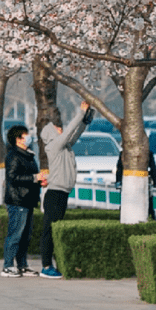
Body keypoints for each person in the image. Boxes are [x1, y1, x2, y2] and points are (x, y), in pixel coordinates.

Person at [37, 101, 95, 278]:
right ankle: (46, 266)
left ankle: (54, 262)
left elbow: (74, 135)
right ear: (51, 133)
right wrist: (80, 112)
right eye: (57, 128)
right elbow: (69, 131)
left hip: (61, 193)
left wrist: (85, 121)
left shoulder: (64, 147)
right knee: (49, 230)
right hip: (54, 194)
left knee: (55, 229)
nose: (60, 129)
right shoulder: (53, 146)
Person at [2, 123, 44, 276]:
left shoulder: (28, 155)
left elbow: (29, 177)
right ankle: (7, 266)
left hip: (28, 199)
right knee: (15, 234)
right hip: (17, 200)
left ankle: (22, 265)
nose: (28, 137)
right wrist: (34, 178)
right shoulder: (13, 155)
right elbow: (12, 178)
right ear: (18, 139)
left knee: (25, 236)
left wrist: (39, 180)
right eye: (25, 135)